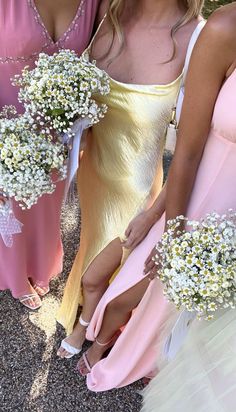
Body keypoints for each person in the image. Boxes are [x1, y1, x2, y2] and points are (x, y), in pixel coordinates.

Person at [57, 0, 204, 366]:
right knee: (91, 245)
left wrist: (157, 213)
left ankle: (91, 327)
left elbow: (191, 150)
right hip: (93, 172)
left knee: (112, 261)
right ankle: (91, 315)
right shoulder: (109, 9)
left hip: (137, 191)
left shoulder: (197, 38)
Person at [141, 3, 236, 411]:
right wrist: (171, 232)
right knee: (152, 301)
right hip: (204, 202)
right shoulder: (226, 28)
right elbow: (188, 150)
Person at [0, 0, 101, 310]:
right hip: (6, 126)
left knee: (45, 205)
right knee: (8, 207)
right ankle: (14, 276)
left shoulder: (96, 3)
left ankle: (38, 263)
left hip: (58, 131)